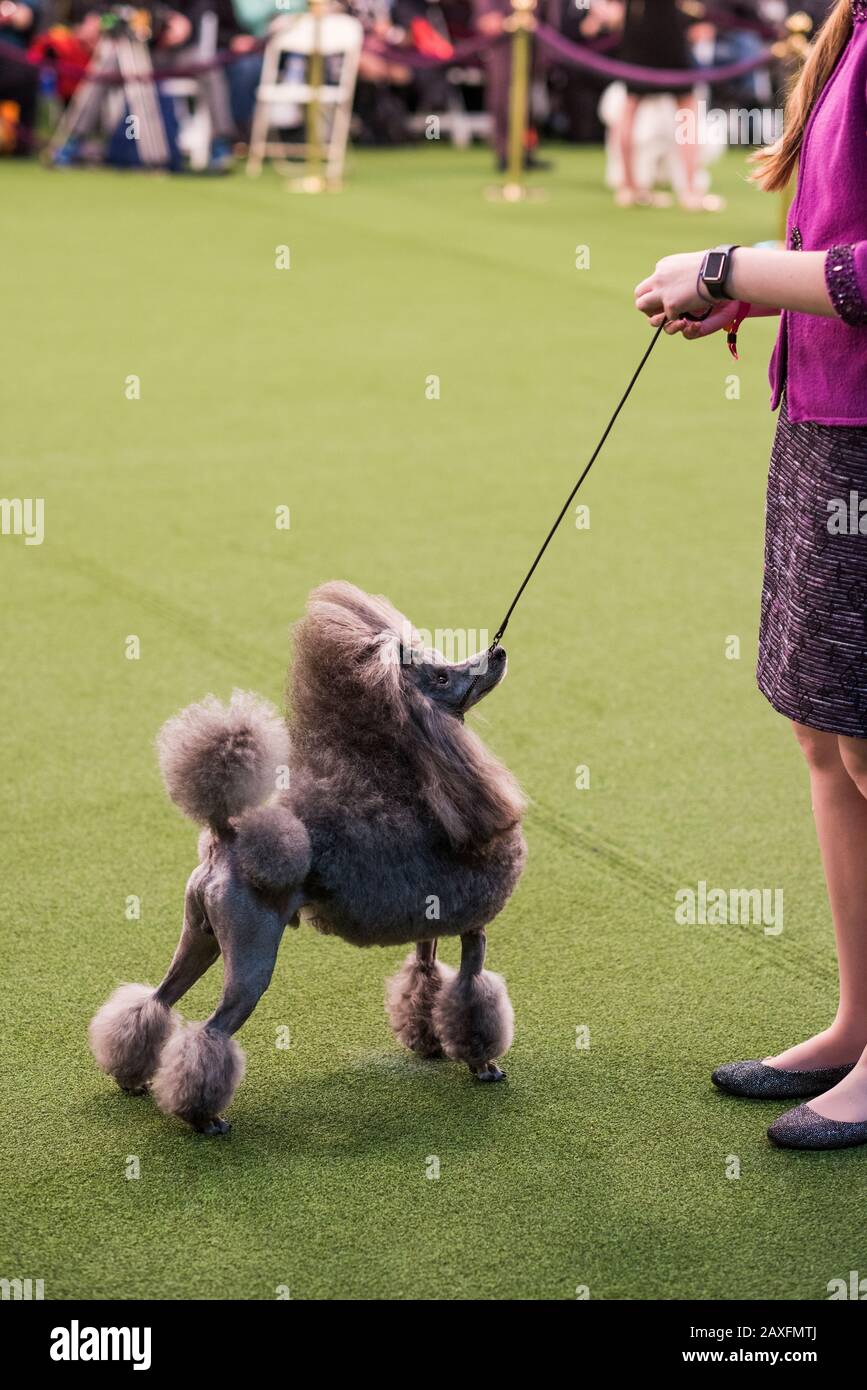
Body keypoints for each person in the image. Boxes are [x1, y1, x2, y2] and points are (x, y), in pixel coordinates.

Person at [634, 0, 867, 1151]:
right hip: (824, 415)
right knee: (825, 734)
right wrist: (750, 288)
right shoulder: (851, 24)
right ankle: (859, 1023)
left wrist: (732, 263)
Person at [615, 0, 709, 209]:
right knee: (686, 108)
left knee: (629, 106)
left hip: (637, 26)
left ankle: (628, 187)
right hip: (667, 27)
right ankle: (691, 191)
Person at [0, 0, 38, 154]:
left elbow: (23, 19)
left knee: (27, 78)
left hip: (15, 66)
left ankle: (22, 146)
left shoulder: (29, 4)